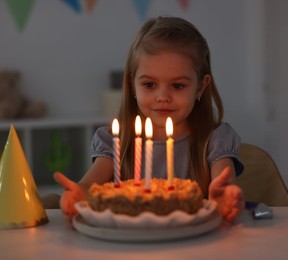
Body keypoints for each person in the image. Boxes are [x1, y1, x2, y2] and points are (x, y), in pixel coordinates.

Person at [54, 16, 245, 223]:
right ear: (132, 85)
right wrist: (77, 195)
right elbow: (88, 188)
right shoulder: (116, 140)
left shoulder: (215, 139)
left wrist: (224, 196)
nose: (163, 96)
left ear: (200, 86)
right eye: (149, 85)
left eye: (178, 85)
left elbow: (223, 184)